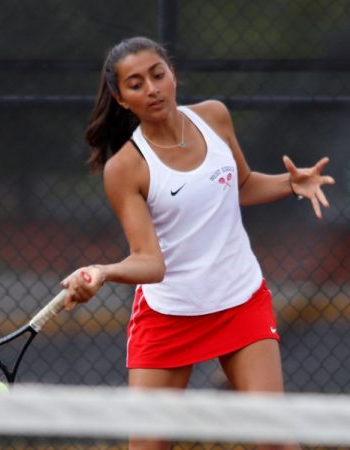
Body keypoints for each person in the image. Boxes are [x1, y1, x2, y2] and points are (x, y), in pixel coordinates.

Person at [64, 36, 334, 449]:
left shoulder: (215, 117)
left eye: (158, 74)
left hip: (240, 299)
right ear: (121, 99)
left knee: (276, 442)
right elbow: (150, 263)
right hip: (170, 314)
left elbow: (241, 185)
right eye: (136, 84)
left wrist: (290, 184)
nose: (152, 88)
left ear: (172, 74)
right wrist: (104, 271)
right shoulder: (125, 168)